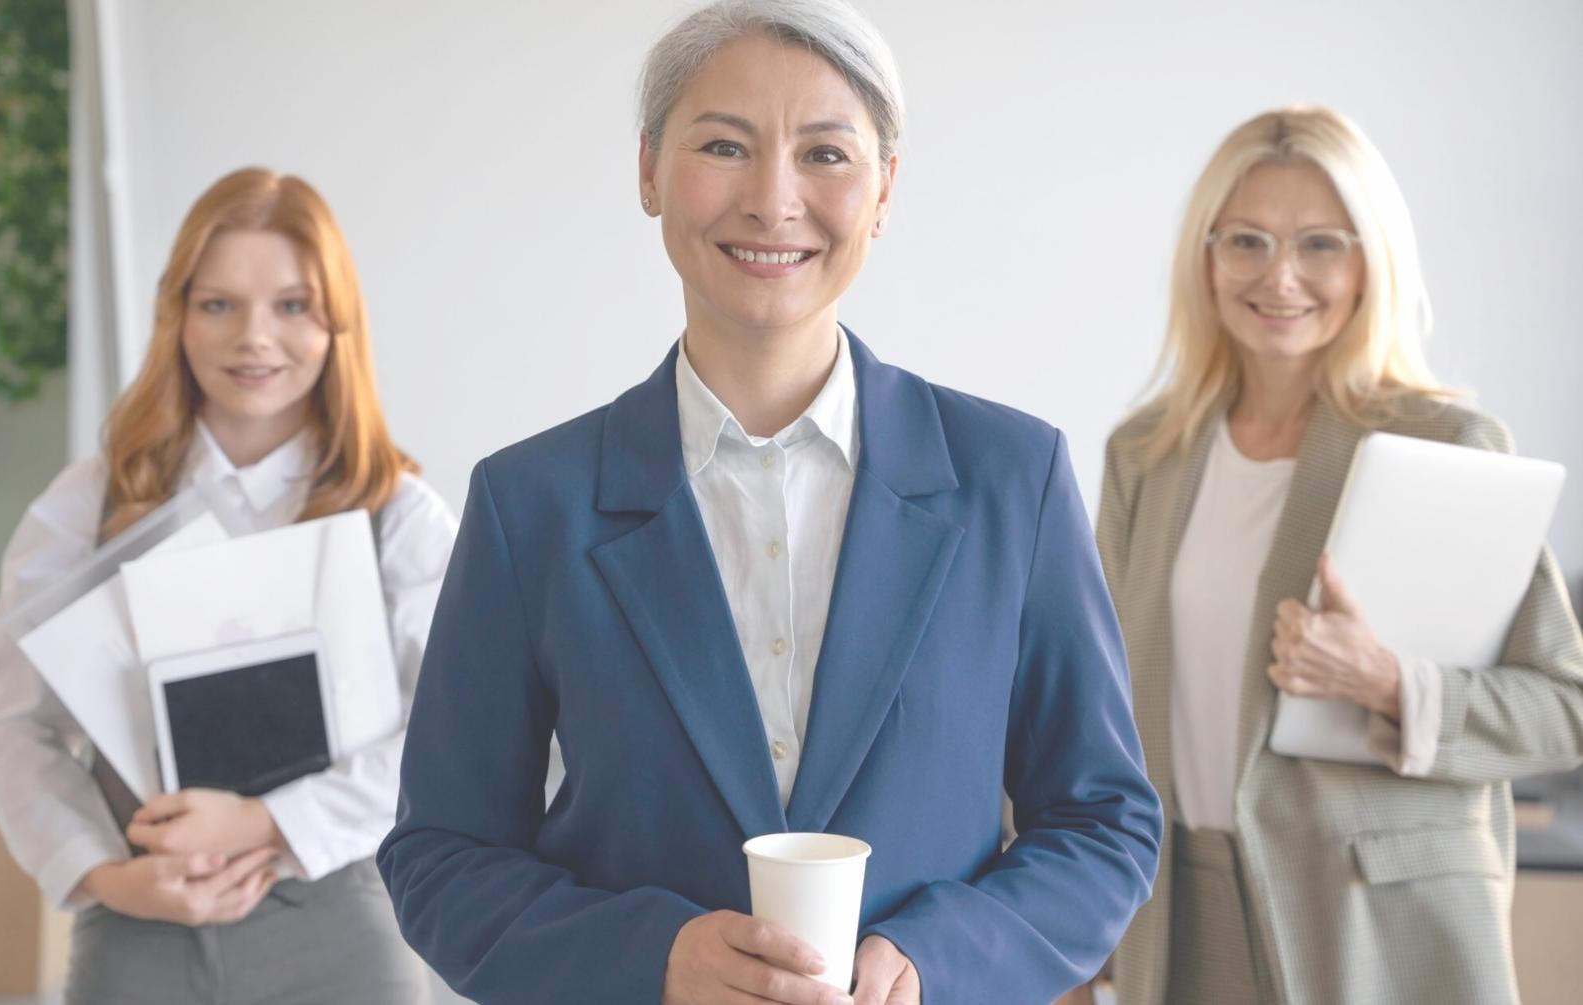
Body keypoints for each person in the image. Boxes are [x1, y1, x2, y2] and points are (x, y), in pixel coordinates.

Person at [378, 2, 1161, 1003]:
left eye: (826, 154)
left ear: (883, 191)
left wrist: (939, 959)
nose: (773, 199)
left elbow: (1104, 822)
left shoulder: (1012, 479)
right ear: (648, 171)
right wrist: (651, 961)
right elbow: (441, 854)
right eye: (722, 146)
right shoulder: (529, 505)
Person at [1093, 106, 1583, 1005]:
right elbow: (1092, 703)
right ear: (1206, 257)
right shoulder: (1147, 454)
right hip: (1182, 917)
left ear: (1371, 262)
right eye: (1247, 240)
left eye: (1321, 243)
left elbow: (1566, 707)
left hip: (1376, 930)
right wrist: (1074, 939)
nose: (1280, 276)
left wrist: (1394, 683)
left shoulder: (1450, 444)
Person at [0, 167, 458, 1004]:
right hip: (136, 921)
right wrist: (98, 872)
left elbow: (451, 736)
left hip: (338, 926)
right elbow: (16, 729)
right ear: (177, 315)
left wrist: (268, 823)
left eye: (292, 306)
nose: (255, 338)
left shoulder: (398, 515)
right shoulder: (89, 502)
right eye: (218, 304)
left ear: (336, 321)